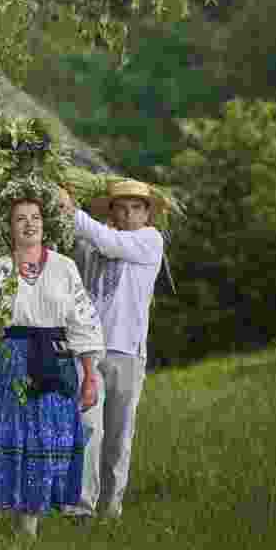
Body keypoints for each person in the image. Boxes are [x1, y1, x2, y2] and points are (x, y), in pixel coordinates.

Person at [0, 195, 104, 536]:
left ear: (44, 223)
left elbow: (82, 323)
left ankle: (32, 523)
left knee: (48, 439)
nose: (29, 223)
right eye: (20, 218)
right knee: (15, 438)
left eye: (35, 217)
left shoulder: (65, 267)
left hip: (55, 360)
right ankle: (20, 526)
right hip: (11, 364)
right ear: (10, 228)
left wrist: (89, 378)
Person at [60, 180, 165, 520]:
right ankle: (81, 508)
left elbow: (111, 242)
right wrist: (64, 210)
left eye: (136, 207)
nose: (128, 214)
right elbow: (76, 254)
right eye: (121, 207)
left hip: (127, 351)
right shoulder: (94, 240)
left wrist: (72, 211)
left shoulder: (149, 240)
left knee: (119, 437)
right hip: (89, 351)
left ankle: (111, 510)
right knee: (89, 429)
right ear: (111, 211)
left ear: (147, 213)